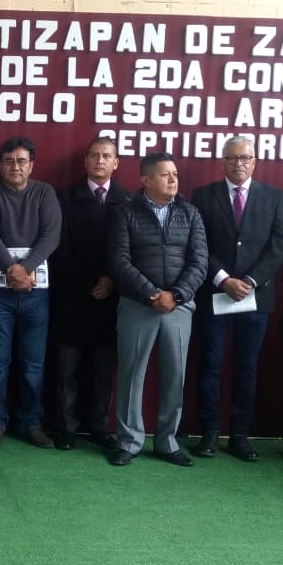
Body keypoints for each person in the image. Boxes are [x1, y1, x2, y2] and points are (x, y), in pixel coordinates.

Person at [189, 136, 283, 462]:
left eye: (245, 157)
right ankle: (208, 434)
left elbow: (279, 247)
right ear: (222, 162)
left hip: (255, 297)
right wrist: (223, 279)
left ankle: (240, 436)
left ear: (254, 161)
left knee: (247, 367)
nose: (239, 163)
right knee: (210, 364)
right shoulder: (203, 196)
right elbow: (198, 245)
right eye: (232, 158)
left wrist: (249, 281)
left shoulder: (275, 197)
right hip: (215, 292)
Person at [108, 152, 207, 467]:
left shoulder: (191, 213)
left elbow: (199, 262)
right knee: (131, 374)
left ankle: (167, 442)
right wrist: (152, 293)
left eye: (175, 173)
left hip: (178, 306)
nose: (173, 179)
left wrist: (176, 295)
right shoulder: (125, 213)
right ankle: (129, 441)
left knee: (175, 375)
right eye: (165, 174)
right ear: (146, 179)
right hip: (138, 304)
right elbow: (119, 260)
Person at [0, 136, 61, 449]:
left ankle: (30, 422)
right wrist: (14, 271)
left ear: (31, 165)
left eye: (21, 161)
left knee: (33, 363)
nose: (15, 167)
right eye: (9, 161)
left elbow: (51, 235)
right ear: (0, 165)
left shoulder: (44, 192)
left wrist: (25, 270)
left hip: (36, 294)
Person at [48, 137, 128, 452]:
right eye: (94, 155)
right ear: (85, 161)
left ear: (116, 162)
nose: (100, 160)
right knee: (66, 370)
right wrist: (90, 282)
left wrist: (111, 280)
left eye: (106, 155)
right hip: (72, 296)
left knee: (103, 370)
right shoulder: (65, 199)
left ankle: (98, 426)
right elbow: (59, 248)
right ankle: (66, 428)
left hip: (112, 299)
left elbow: (132, 249)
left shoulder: (128, 200)